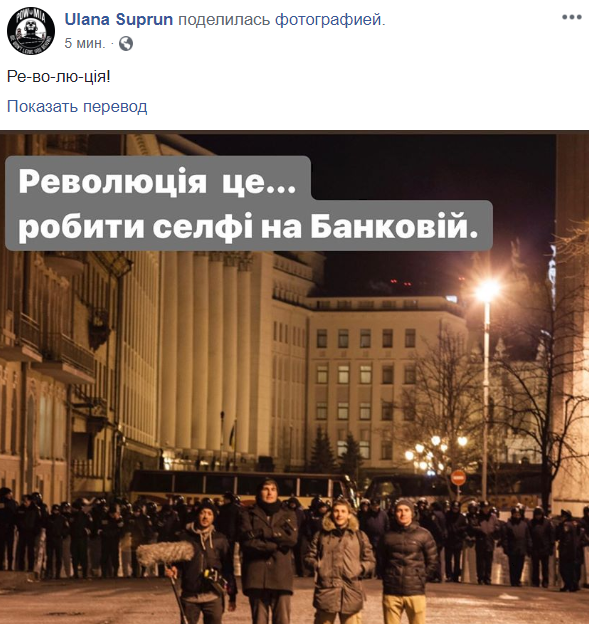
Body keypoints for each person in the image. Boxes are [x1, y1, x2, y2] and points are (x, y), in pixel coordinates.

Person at [304, 497, 375, 624]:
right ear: (331, 513)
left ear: (349, 514)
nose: (339, 514)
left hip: (351, 591)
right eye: (336, 511)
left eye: (343, 511)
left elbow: (370, 560)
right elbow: (309, 556)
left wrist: (360, 568)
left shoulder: (359, 535)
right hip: (326, 590)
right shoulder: (321, 535)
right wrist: (319, 565)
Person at [166, 500, 237, 624]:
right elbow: (178, 561)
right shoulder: (185, 537)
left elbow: (228, 568)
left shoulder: (220, 539)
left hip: (213, 595)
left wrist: (232, 595)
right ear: (197, 515)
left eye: (209, 514)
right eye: (203, 513)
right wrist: (175, 569)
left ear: (213, 518)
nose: (205, 517)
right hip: (190, 596)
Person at [239, 478, 298, 624]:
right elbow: (247, 542)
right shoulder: (247, 514)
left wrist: (263, 532)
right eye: (266, 489)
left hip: (281, 575)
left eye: (273, 489)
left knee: (282, 620)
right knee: (259, 620)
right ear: (259, 492)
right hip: (256, 575)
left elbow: (291, 539)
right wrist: (276, 546)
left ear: (277, 493)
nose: (270, 492)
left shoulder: (288, 513)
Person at [380, 498, 438, 624]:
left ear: (412, 513)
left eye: (406, 510)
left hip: (415, 592)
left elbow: (432, 560)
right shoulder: (387, 536)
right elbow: (381, 561)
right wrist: (388, 577)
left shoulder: (424, 535)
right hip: (392, 592)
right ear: (394, 513)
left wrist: (421, 578)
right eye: (399, 510)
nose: (403, 514)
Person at [469, 500, 499, 585]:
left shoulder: (493, 516)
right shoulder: (477, 516)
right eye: (484, 508)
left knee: (489, 561)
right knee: (480, 561)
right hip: (481, 540)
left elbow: (497, 525)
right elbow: (473, 526)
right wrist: (480, 530)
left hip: (489, 540)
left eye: (487, 507)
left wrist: (495, 530)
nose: (486, 509)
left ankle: (487, 578)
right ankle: (480, 578)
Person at [502, 506, 532, 587]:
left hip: (521, 548)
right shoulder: (508, 525)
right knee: (513, 565)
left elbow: (528, 536)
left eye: (518, 514)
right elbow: (505, 537)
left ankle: (518, 580)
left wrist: (529, 546)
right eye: (515, 514)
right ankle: (513, 580)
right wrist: (505, 547)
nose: (517, 516)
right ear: (512, 514)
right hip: (512, 548)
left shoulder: (524, 525)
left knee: (520, 565)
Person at [556, 509, 582, 592]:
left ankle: (569, 585)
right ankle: (572, 585)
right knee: (571, 569)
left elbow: (566, 538)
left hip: (566, 550)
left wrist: (563, 548)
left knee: (564, 569)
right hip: (573, 550)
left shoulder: (566, 525)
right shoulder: (574, 524)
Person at [363, 498, 389, 578]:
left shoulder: (383, 514)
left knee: (380, 557)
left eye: (376, 505)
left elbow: (387, 525)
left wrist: (386, 536)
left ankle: (380, 573)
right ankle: (370, 573)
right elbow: (363, 526)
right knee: (370, 557)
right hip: (370, 538)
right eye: (373, 505)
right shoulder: (366, 515)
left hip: (381, 538)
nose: (375, 507)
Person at [529, 507, 554, 588]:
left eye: (539, 515)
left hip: (545, 547)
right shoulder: (531, 523)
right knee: (535, 566)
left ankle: (545, 581)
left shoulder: (547, 523)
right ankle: (535, 581)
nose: (538, 516)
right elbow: (529, 535)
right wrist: (530, 546)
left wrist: (551, 546)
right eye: (537, 515)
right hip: (535, 548)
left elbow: (551, 535)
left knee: (545, 566)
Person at [99, 504, 125, 578]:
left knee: (115, 557)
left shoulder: (119, 519)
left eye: (114, 513)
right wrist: (104, 534)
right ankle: (104, 573)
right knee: (104, 557)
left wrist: (118, 520)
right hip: (105, 540)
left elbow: (121, 529)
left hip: (114, 540)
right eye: (112, 514)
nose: (113, 515)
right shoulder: (104, 518)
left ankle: (115, 573)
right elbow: (100, 528)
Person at [44, 504, 69, 579]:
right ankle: (49, 572)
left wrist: (62, 534)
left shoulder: (62, 518)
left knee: (59, 557)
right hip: (50, 539)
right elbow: (45, 527)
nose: (55, 511)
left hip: (58, 539)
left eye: (57, 510)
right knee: (49, 557)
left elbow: (66, 528)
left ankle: (57, 573)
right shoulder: (48, 518)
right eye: (54, 510)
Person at [444, 500, 467, 582]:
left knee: (457, 560)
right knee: (448, 559)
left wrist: (459, 529)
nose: (455, 509)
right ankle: (449, 575)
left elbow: (465, 527)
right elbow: (444, 525)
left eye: (457, 508)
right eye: (454, 507)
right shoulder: (447, 516)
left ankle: (456, 576)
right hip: (449, 541)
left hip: (458, 540)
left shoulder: (462, 517)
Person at [69, 500, 93, 579]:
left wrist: (86, 532)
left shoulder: (83, 516)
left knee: (78, 556)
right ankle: (82, 573)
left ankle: (79, 573)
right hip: (79, 538)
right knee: (80, 556)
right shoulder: (75, 516)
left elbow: (90, 526)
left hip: (79, 538)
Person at [0, 487, 18, 571]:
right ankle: (1, 564)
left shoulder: (12, 503)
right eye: (8, 494)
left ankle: (10, 565)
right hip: (2, 528)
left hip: (10, 528)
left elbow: (14, 513)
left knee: (10, 547)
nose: (10, 495)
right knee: (1, 547)